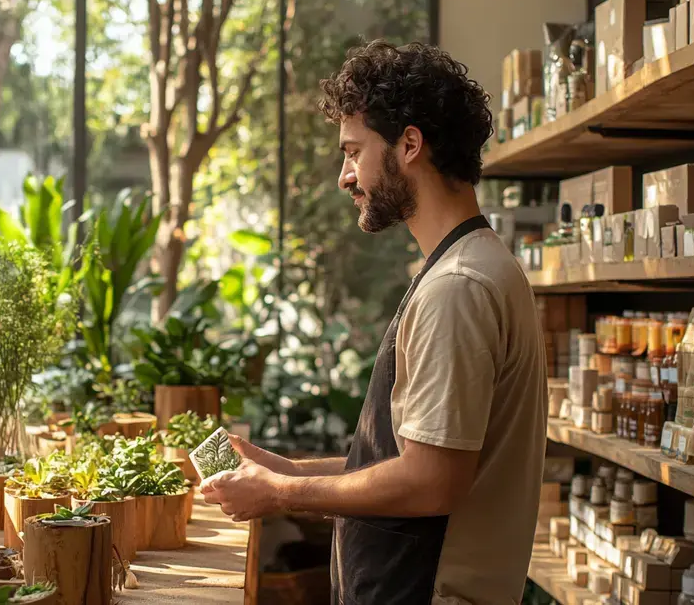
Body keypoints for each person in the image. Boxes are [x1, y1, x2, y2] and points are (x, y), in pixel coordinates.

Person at [201, 41, 548, 605]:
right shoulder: (467, 266)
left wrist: (283, 491)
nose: (345, 176)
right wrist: (287, 467)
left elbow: (431, 482)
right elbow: (414, 460)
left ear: (409, 144)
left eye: (353, 152)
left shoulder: (457, 287)